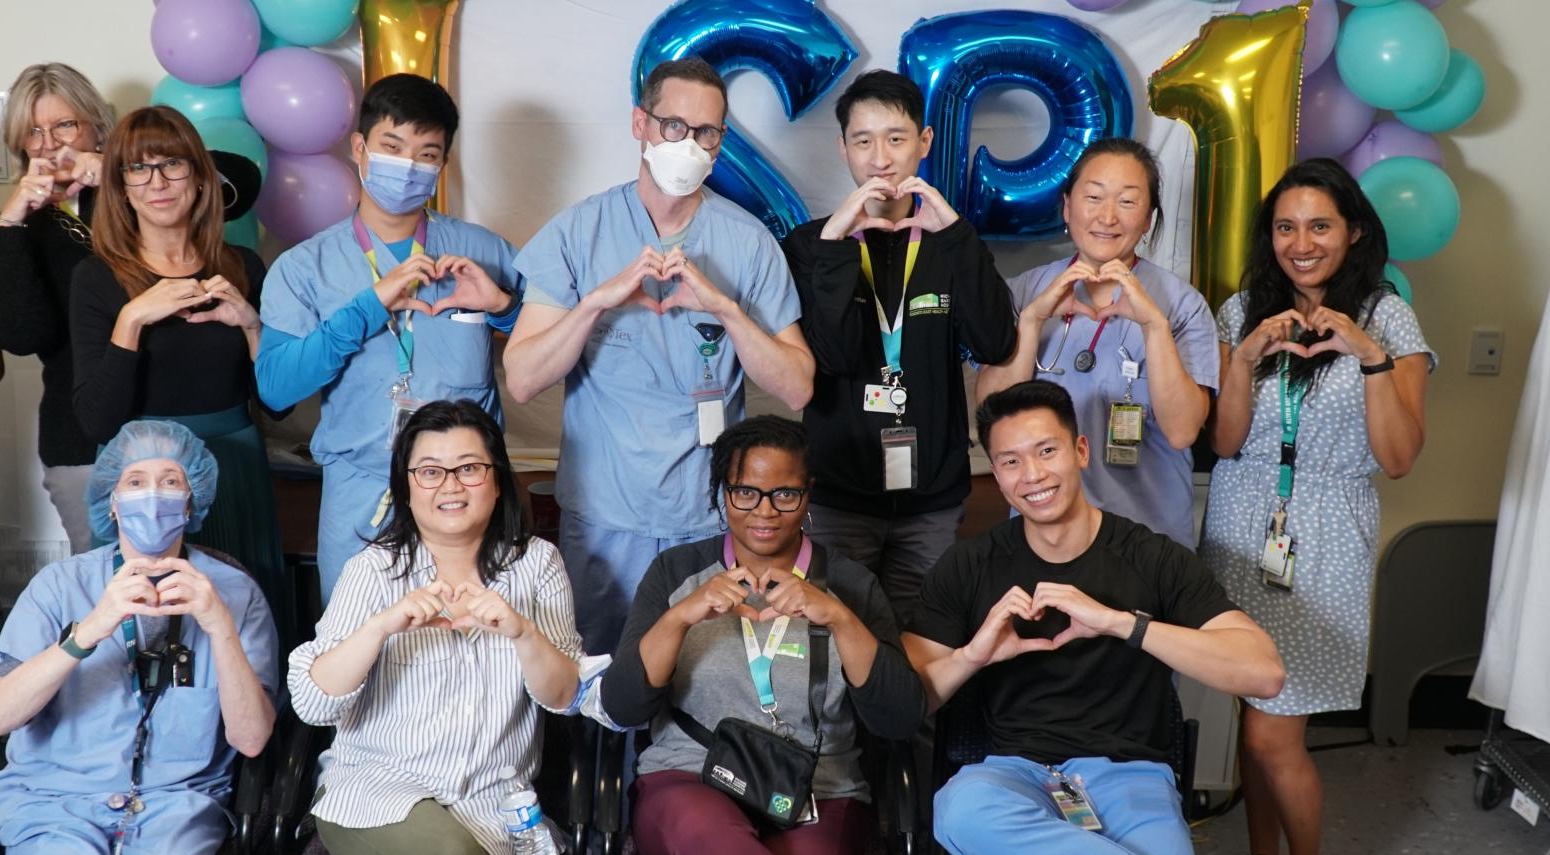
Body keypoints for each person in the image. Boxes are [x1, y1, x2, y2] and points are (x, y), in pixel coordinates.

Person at [903, 380, 1318, 855]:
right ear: (996, 476)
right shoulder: (969, 566)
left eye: (1047, 451)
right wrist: (974, 655)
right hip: (1014, 773)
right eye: (1011, 461)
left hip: (1131, 776)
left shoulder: (1151, 556)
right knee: (959, 809)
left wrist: (1125, 624)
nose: (1033, 475)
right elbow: (905, 700)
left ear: (1079, 451)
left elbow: (1263, 673)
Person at [504, 57, 812, 655]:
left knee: (698, 676)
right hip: (602, 515)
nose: (690, 145)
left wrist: (726, 308)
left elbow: (798, 386)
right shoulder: (580, 232)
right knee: (597, 675)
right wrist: (597, 301)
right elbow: (522, 378)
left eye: (707, 133)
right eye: (675, 127)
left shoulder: (747, 242)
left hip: (704, 516)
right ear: (640, 124)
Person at [1198, 158, 1432, 855]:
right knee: (1251, 712)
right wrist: (1244, 357)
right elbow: (1226, 441)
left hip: (1325, 533)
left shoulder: (1388, 318)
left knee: (1275, 727)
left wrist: (1367, 354)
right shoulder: (1240, 311)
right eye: (1287, 227)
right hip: (1242, 526)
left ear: (1354, 231)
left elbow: (1398, 456)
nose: (1302, 243)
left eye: (1320, 226)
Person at [598, 415, 920, 855]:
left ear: (808, 492)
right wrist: (681, 618)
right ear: (722, 492)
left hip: (819, 792)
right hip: (689, 784)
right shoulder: (676, 571)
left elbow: (899, 717)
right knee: (714, 837)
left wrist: (840, 619)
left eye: (784, 494)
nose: (765, 511)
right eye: (746, 492)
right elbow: (623, 705)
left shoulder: (848, 584)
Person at [0, 419, 279, 855]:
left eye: (171, 481)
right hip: (53, 802)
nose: (154, 496)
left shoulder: (234, 594)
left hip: (175, 807)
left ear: (192, 502)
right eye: (136, 482)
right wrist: (89, 630)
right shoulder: (60, 587)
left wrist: (218, 626)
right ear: (111, 503)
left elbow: (252, 741)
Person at [288, 400, 581, 855]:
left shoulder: (537, 565)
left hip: (493, 804)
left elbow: (565, 697)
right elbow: (311, 701)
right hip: (374, 801)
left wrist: (521, 632)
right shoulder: (375, 570)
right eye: (430, 471)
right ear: (406, 486)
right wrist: (380, 627)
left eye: (470, 467)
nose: (451, 485)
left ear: (497, 481)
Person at [256, 73, 522, 601]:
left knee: (476, 657)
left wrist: (502, 310)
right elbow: (276, 388)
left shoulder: (484, 252)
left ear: (443, 164)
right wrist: (368, 306)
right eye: (393, 148)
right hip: (361, 494)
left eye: (427, 154)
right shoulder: (304, 267)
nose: (409, 167)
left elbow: (544, 359)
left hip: (466, 494)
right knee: (359, 654)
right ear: (359, 147)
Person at [781, 69, 1017, 625]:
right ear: (843, 149)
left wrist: (957, 235)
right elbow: (830, 358)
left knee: (923, 646)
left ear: (924, 142)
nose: (880, 158)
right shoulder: (808, 246)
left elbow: (996, 341)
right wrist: (836, 245)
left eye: (896, 138)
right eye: (863, 141)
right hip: (838, 494)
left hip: (931, 502)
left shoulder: (948, 241)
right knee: (840, 649)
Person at [70, 105, 284, 605]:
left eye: (173, 164)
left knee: (244, 629)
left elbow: (278, 405)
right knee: (145, 628)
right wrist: (133, 319)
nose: (158, 181)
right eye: (139, 168)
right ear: (121, 188)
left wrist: (251, 324)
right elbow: (95, 421)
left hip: (236, 470)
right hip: (144, 485)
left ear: (200, 178)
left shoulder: (243, 267)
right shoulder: (96, 277)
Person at [976, 138, 1217, 546]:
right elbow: (990, 415)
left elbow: (1182, 432)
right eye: (1093, 197)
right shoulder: (1024, 292)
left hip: (1147, 538)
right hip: (1044, 538)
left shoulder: (1181, 305)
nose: (1107, 216)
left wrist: (1154, 326)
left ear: (1148, 220)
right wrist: (1033, 320)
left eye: (1127, 202)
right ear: (1067, 207)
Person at [0, 62, 117, 554]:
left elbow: (229, 184)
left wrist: (116, 177)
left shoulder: (144, 187)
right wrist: (12, 224)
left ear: (95, 126)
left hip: (167, 417)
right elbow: (21, 337)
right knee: (105, 588)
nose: (49, 144)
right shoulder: (21, 226)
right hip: (78, 434)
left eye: (65, 124)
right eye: (33, 132)